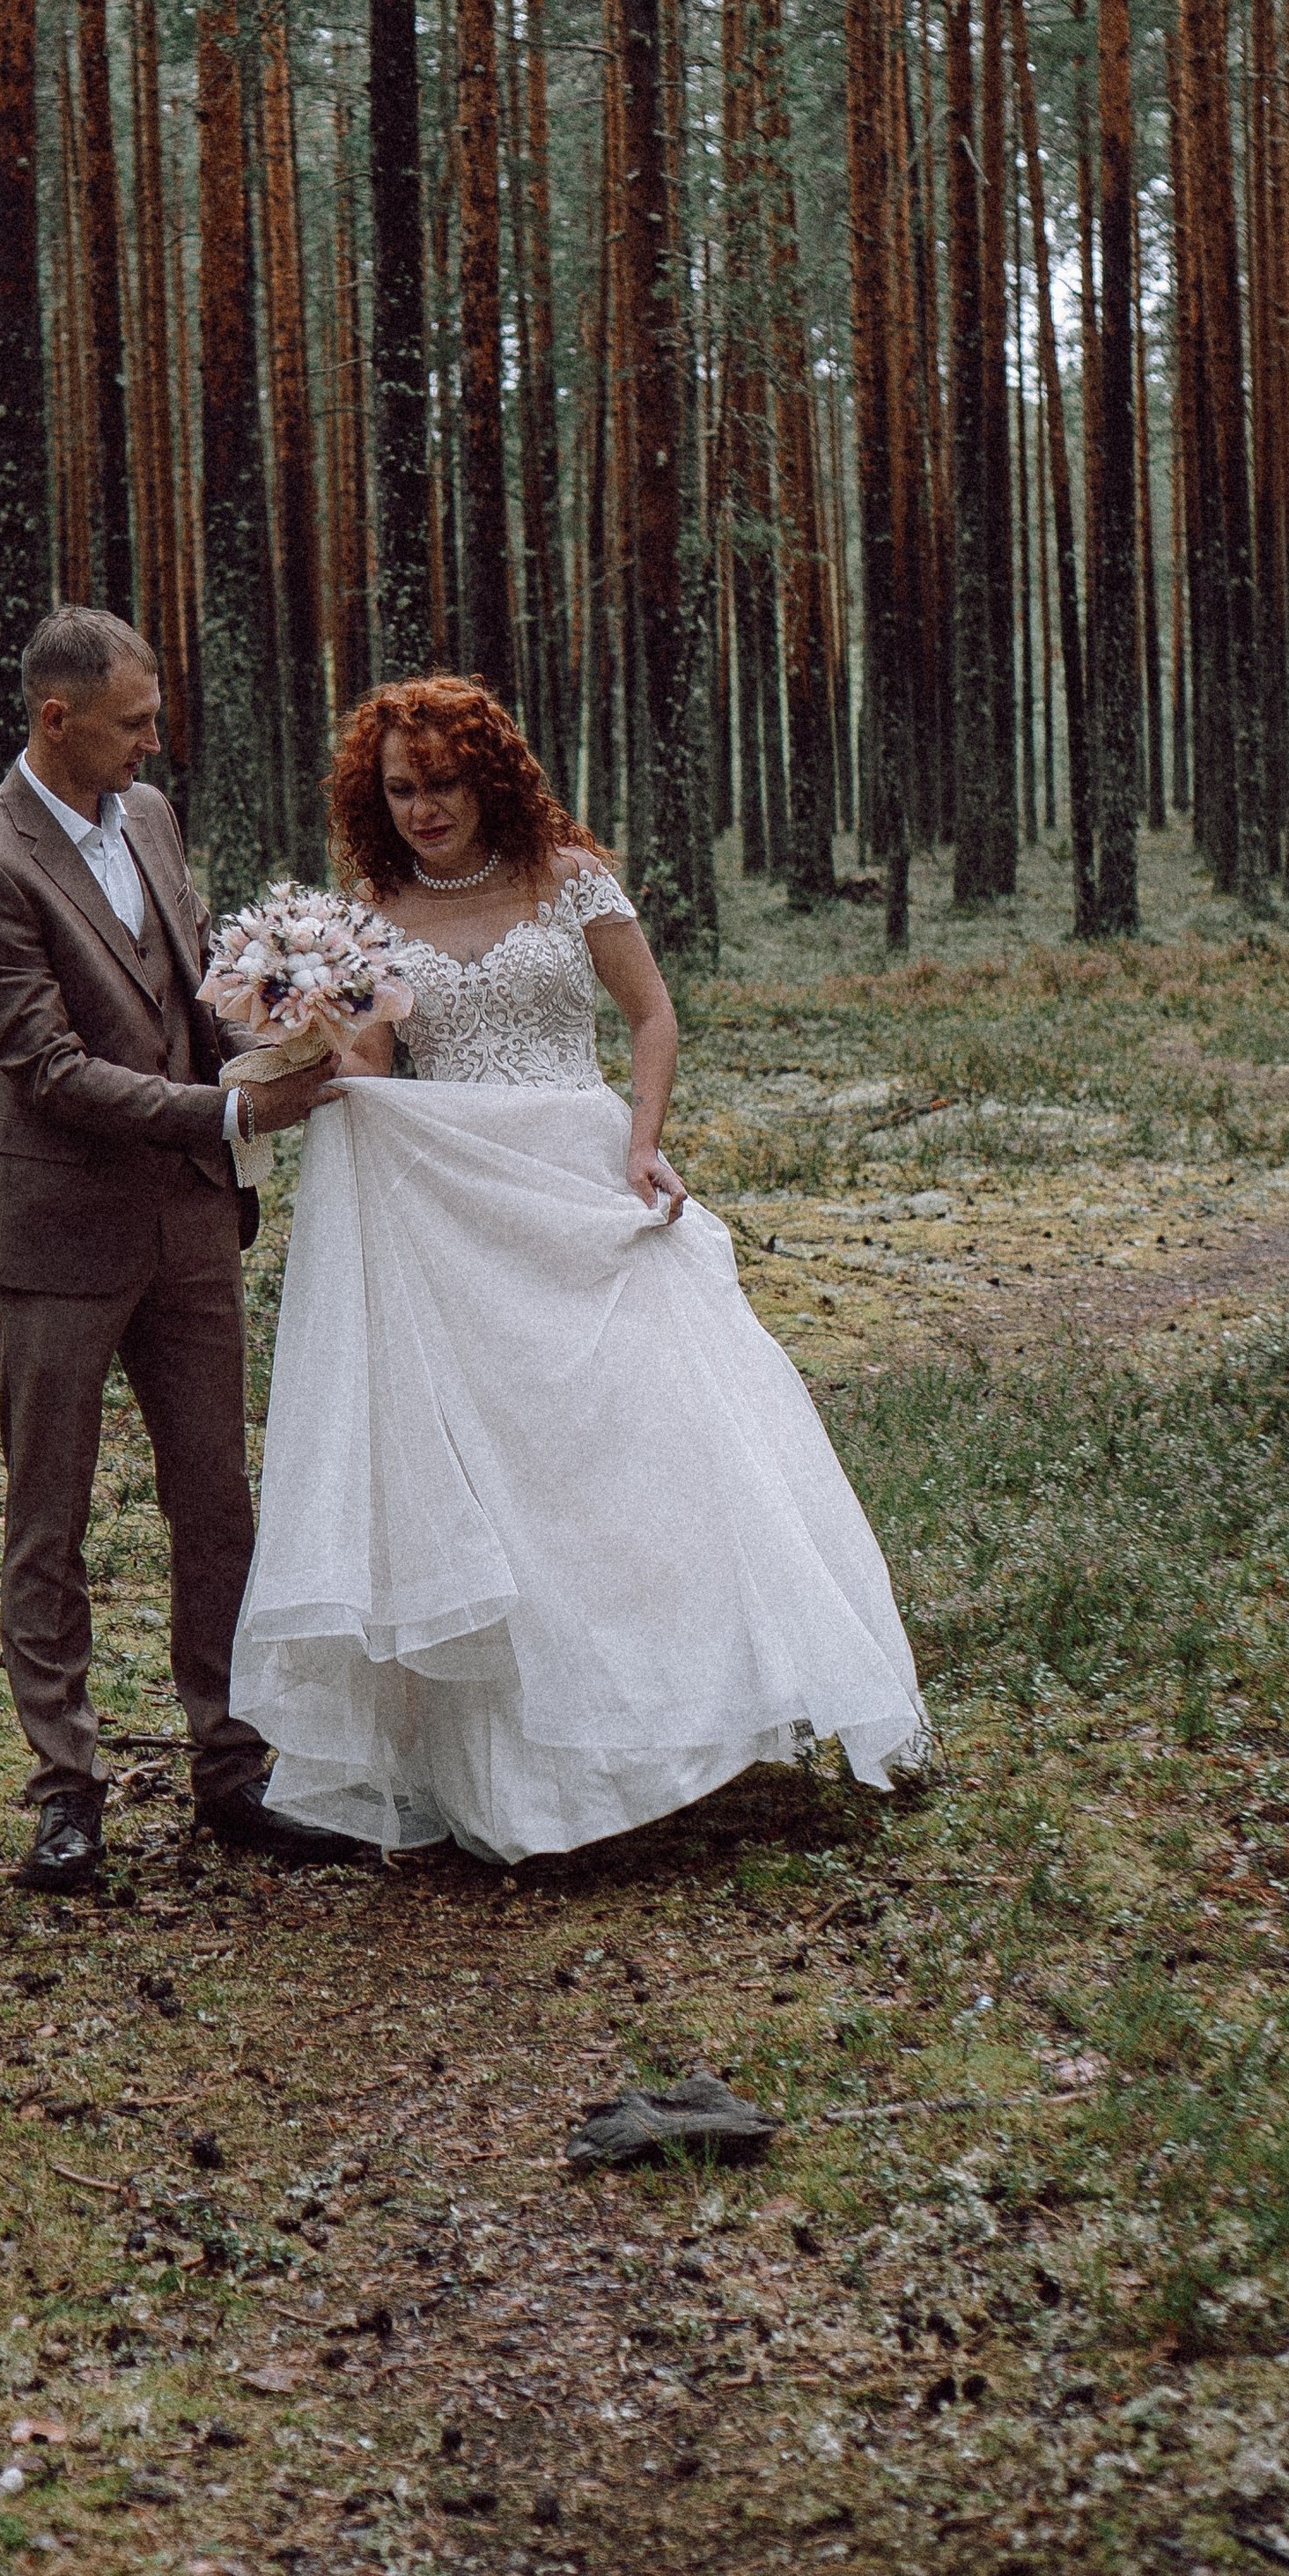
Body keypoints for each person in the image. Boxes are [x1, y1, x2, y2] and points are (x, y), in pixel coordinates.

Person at [232, 675, 927, 1864]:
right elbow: (385, 1083)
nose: (423, 809)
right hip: (460, 1212)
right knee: (502, 1473)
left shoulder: (568, 877)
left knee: (647, 1451)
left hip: (585, 1178)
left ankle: (680, 1720)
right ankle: (524, 1774)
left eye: (443, 783)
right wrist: (312, 1033)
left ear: (487, 773)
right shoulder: (372, 912)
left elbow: (651, 1015)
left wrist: (644, 1140)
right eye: (399, 789)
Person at [0, 606, 353, 1890]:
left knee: (217, 1503)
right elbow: (48, 1071)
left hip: (190, 1222)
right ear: (57, 721)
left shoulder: (151, 818)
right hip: (58, 1234)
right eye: (132, 723)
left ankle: (235, 1766)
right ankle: (67, 1792)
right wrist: (227, 1111)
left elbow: (190, 997)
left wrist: (289, 1034)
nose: (155, 742)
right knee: (45, 1521)